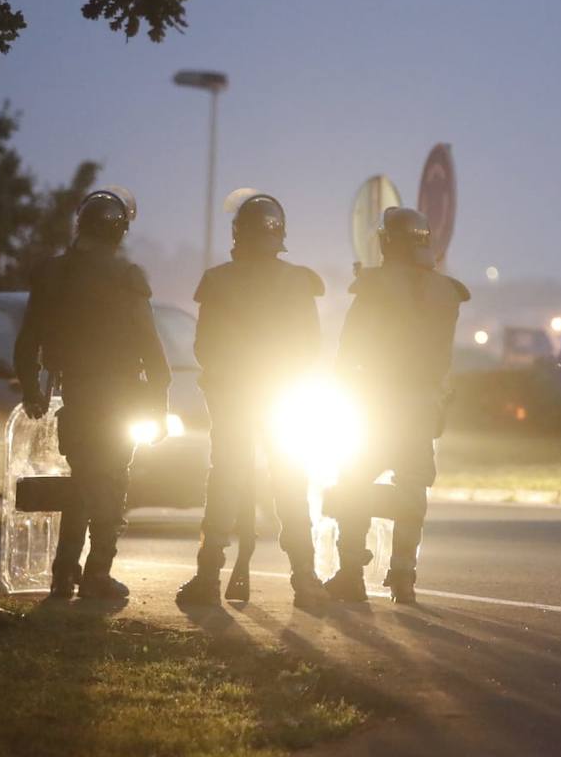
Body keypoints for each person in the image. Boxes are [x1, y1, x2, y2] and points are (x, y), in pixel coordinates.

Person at [14, 186, 171, 601]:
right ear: (119, 232)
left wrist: (32, 389)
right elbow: (151, 347)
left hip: (79, 397)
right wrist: (159, 404)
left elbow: (27, 340)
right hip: (120, 399)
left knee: (83, 482)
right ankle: (96, 573)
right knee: (111, 486)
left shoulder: (52, 274)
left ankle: (65, 573)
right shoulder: (127, 278)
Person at [175, 193, 327, 607]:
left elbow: (204, 348)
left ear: (238, 233)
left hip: (236, 398)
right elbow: (311, 347)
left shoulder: (218, 281)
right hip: (283, 397)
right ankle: (306, 578)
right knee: (292, 486)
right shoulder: (299, 281)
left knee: (224, 481)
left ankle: (207, 577)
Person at [322, 207, 470, 604]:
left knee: (352, 481)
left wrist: (340, 387)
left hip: (374, 401)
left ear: (389, 242)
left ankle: (351, 572)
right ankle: (404, 575)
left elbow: (349, 347)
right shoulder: (446, 292)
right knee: (413, 486)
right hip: (423, 404)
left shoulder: (374, 286)